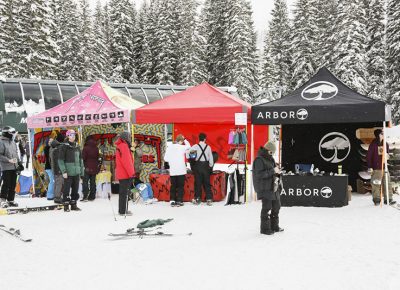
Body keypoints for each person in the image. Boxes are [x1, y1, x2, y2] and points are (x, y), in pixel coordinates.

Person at [252, 141, 284, 235]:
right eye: (271, 152)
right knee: (267, 207)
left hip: (273, 186)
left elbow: (272, 170)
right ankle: (265, 229)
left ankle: (274, 226)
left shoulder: (270, 158)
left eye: (273, 153)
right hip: (264, 187)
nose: (272, 154)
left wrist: (277, 171)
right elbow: (259, 175)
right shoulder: (259, 160)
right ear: (267, 150)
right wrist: (272, 170)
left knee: (276, 206)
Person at [367, 128, 396, 206]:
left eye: (383, 133)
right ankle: (377, 199)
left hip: (385, 167)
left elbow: (388, 154)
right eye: (382, 133)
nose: (383, 135)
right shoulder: (373, 144)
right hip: (376, 168)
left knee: (387, 183)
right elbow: (369, 156)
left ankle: (388, 199)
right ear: (378, 135)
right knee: (376, 184)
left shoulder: (385, 144)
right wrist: (369, 166)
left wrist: (387, 156)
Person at [58, 129, 84, 212]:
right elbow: (60, 160)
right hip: (68, 173)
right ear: (68, 136)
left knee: (75, 189)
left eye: (74, 135)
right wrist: (64, 171)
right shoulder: (64, 146)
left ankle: (73, 204)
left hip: (76, 172)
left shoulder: (77, 146)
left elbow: (81, 160)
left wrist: (81, 172)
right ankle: (66, 205)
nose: (73, 136)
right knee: (66, 189)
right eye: (71, 135)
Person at [164, 134, 190, 207]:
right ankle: (179, 200)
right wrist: (185, 139)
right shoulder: (182, 147)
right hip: (181, 170)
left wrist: (172, 160)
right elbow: (189, 146)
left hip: (173, 170)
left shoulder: (169, 147)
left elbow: (165, 159)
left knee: (173, 186)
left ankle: (172, 200)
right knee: (180, 186)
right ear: (181, 141)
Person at [189, 133, 214, 205]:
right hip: (206, 166)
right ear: (205, 139)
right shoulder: (208, 147)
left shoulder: (195, 146)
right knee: (207, 183)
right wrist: (210, 165)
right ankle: (209, 199)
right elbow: (211, 158)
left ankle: (197, 198)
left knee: (198, 183)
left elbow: (188, 154)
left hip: (197, 166)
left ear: (199, 138)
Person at [0, 126, 21, 208]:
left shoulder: (13, 142)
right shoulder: (1, 142)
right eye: (12, 133)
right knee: (6, 183)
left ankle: (10, 200)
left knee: (13, 184)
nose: (13, 134)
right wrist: (9, 160)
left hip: (14, 166)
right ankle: (3, 200)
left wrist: (19, 163)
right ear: (7, 133)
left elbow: (16, 153)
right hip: (6, 167)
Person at [115, 131, 135, 216]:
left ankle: (122, 210)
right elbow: (127, 162)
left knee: (123, 192)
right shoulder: (124, 146)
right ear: (126, 138)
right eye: (129, 137)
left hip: (122, 173)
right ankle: (123, 211)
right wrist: (132, 174)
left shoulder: (121, 145)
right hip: (125, 173)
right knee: (124, 193)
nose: (130, 138)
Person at [81, 136, 99, 201]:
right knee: (93, 182)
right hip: (94, 167)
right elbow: (98, 157)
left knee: (85, 182)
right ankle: (92, 196)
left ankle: (85, 196)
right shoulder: (96, 148)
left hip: (87, 167)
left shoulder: (85, 148)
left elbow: (83, 158)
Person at [50, 132, 65, 204]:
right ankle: (57, 197)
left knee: (57, 182)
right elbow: (58, 161)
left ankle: (57, 196)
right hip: (58, 169)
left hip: (55, 169)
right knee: (59, 183)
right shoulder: (58, 148)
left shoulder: (54, 147)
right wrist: (59, 169)